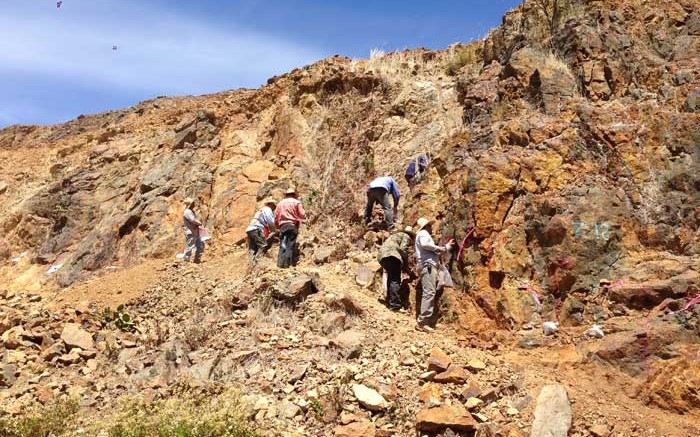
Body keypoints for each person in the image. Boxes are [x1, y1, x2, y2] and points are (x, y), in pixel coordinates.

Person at [414, 217, 454, 332]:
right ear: (426, 226)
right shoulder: (423, 233)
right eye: (430, 226)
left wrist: (445, 248)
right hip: (428, 267)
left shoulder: (423, 234)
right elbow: (427, 245)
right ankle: (422, 322)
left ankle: (426, 320)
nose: (431, 228)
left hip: (429, 267)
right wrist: (443, 247)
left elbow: (432, 250)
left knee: (429, 292)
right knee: (429, 292)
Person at [378, 226, 414, 311]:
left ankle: (389, 301)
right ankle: (395, 305)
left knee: (390, 278)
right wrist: (406, 264)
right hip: (393, 255)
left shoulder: (395, 236)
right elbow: (403, 249)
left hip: (382, 256)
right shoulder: (406, 236)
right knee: (395, 279)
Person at [274, 187, 306, 268]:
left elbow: (275, 217)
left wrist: (277, 226)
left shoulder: (280, 203)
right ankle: (288, 265)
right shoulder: (296, 202)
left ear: (286, 195)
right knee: (290, 245)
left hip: (283, 226)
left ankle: (280, 265)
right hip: (292, 225)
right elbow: (302, 215)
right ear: (294, 195)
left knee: (283, 245)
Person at [246, 198, 276, 265]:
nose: (274, 208)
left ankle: (251, 264)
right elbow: (270, 220)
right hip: (257, 228)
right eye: (274, 206)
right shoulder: (268, 209)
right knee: (263, 245)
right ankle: (258, 261)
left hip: (250, 229)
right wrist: (273, 230)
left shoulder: (261, 210)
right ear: (271, 205)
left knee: (252, 248)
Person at [182, 197, 205, 263]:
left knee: (200, 245)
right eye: (193, 203)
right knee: (189, 246)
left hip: (195, 231)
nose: (194, 204)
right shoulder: (187, 211)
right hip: (191, 232)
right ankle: (185, 261)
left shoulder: (190, 211)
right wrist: (199, 223)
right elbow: (192, 220)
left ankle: (197, 260)